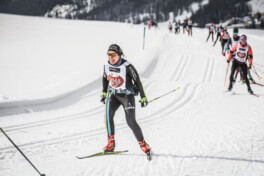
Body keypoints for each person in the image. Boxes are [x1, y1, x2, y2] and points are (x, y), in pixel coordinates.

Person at [101, 44, 151, 155]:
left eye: (113, 55)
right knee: (108, 115)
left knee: (130, 121)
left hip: (127, 96)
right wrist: (104, 92)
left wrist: (143, 97)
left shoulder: (127, 66)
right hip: (113, 94)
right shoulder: (106, 65)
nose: (111, 57)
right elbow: (105, 78)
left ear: (119, 55)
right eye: (109, 55)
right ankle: (111, 143)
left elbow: (137, 81)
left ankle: (143, 144)